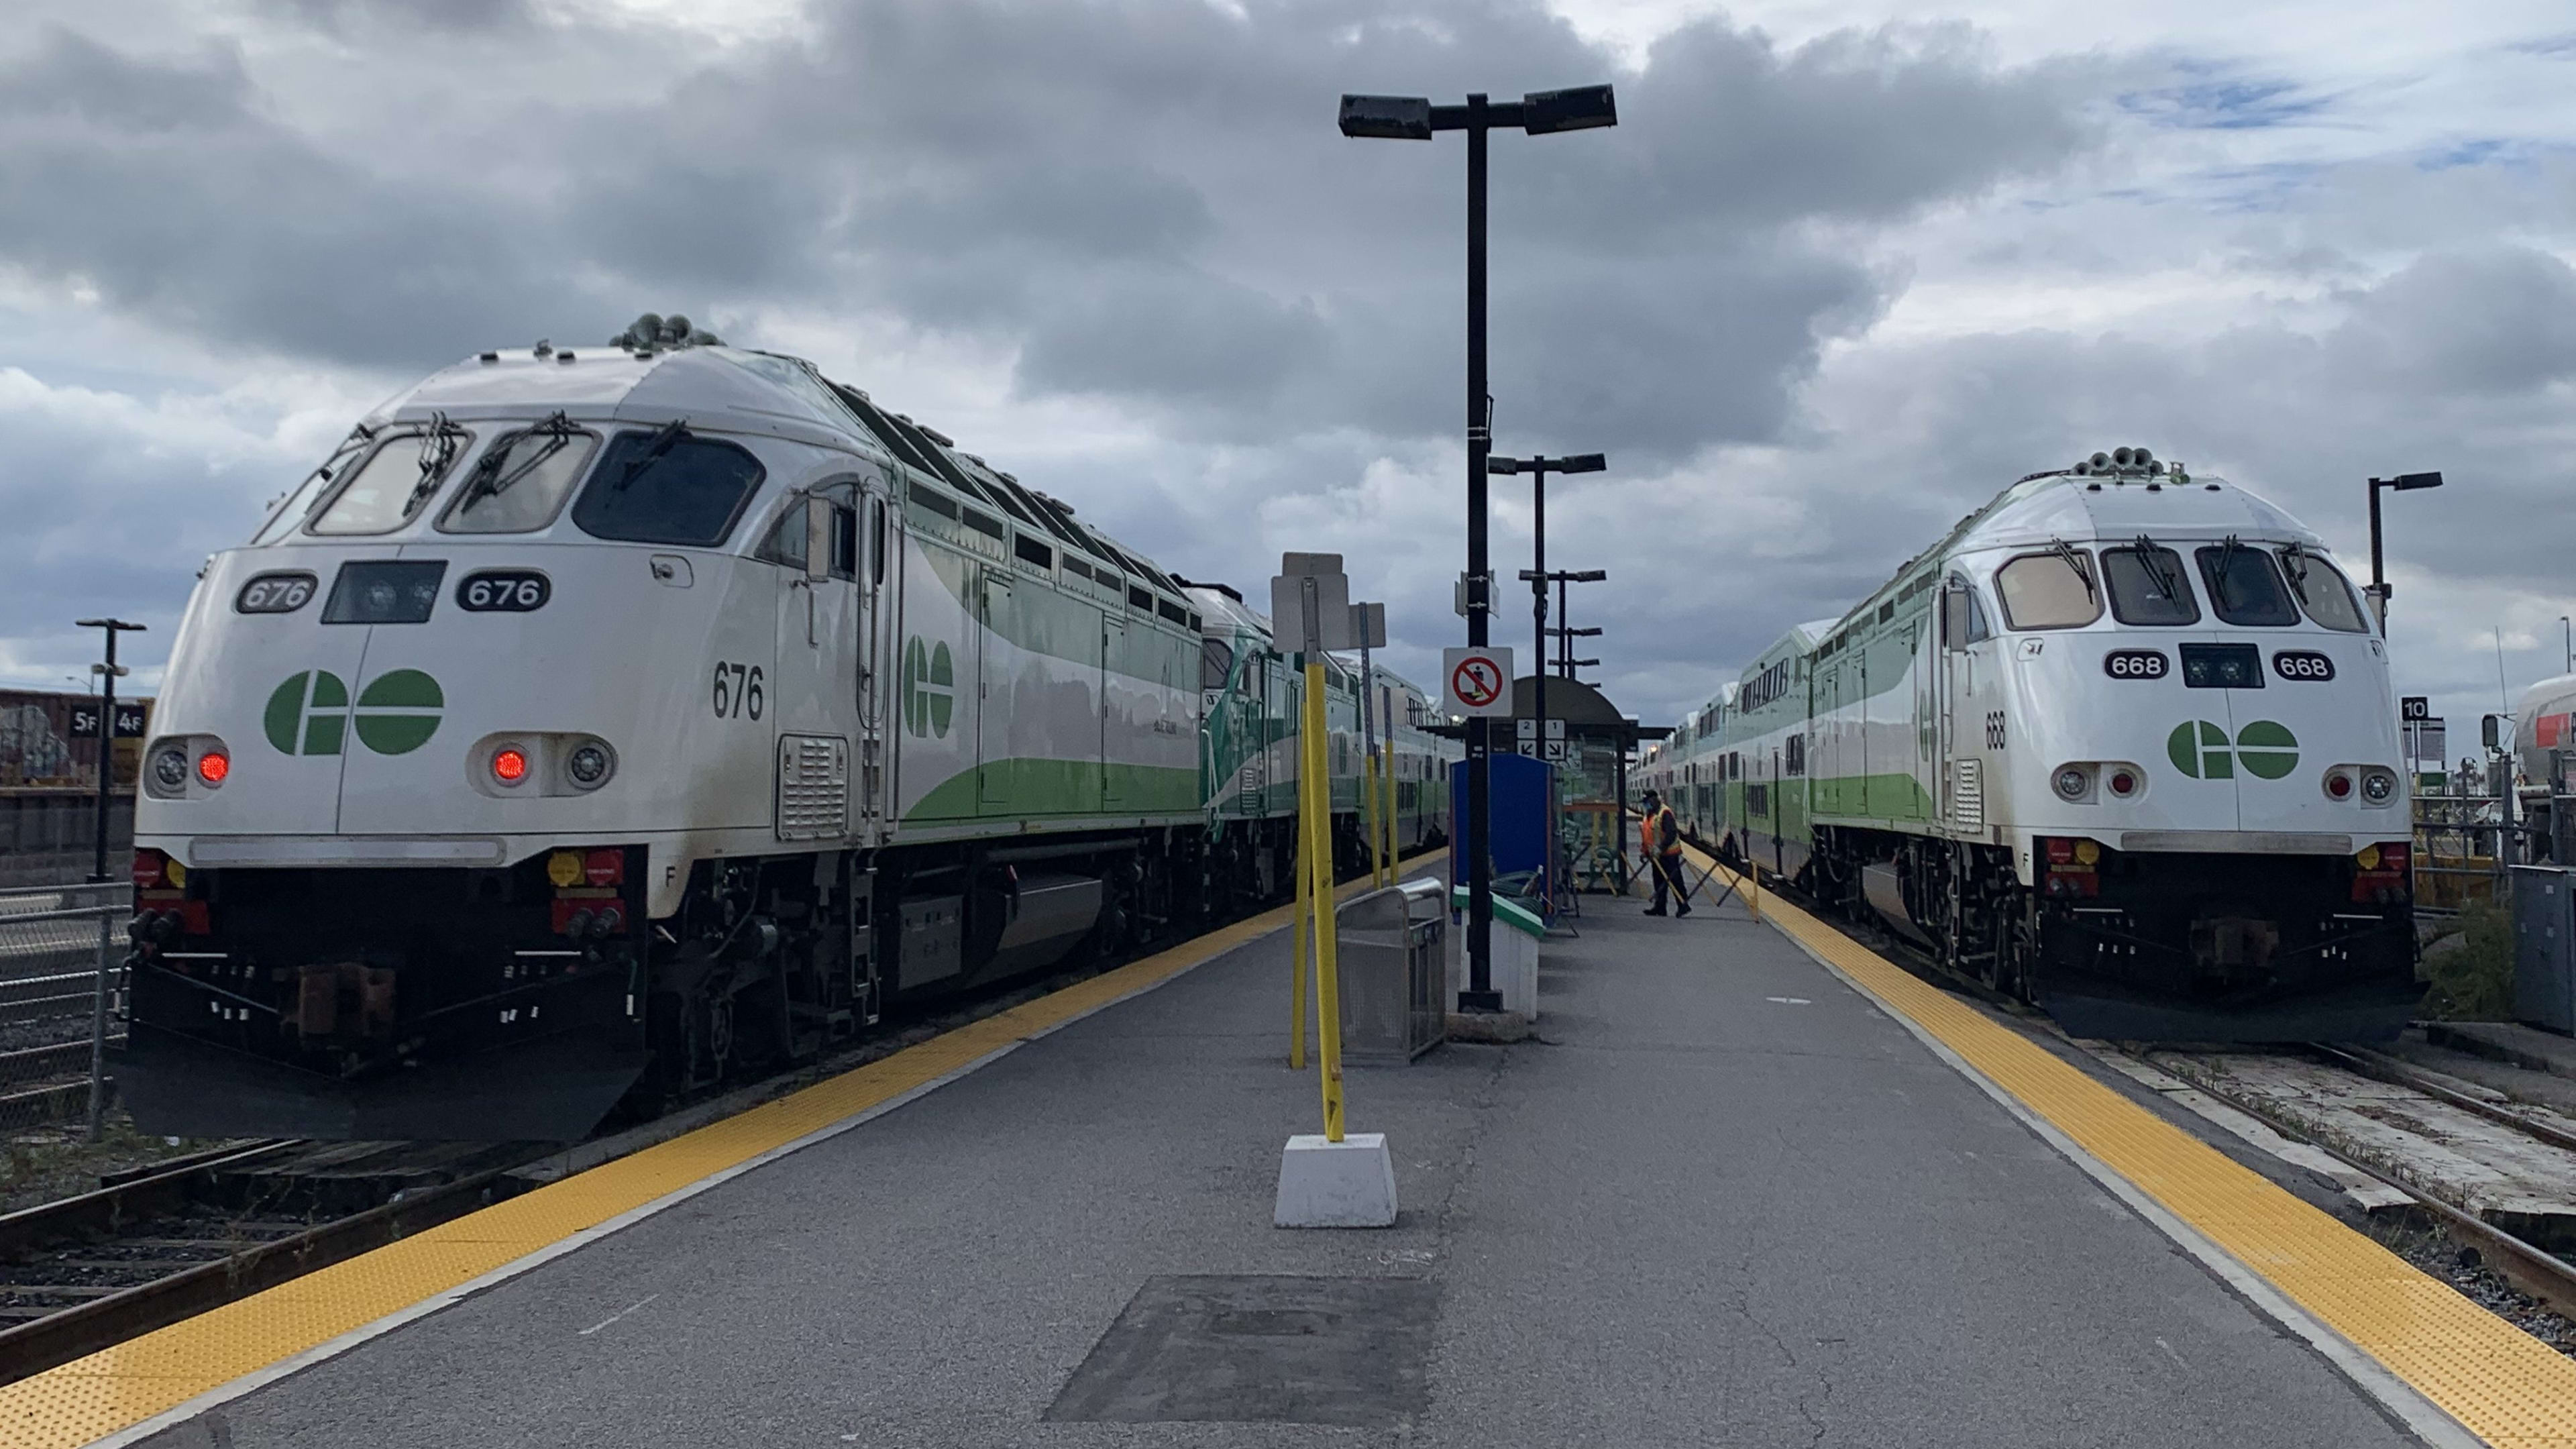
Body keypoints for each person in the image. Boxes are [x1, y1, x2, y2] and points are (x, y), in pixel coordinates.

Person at [1640, 788, 1691, 917]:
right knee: (1659, 882)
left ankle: (1683, 905)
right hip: (1656, 856)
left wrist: (1661, 848)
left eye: (1647, 801)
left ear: (1654, 799)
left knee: (1675, 881)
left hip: (1669, 854)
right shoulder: (1649, 815)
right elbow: (1648, 836)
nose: (1646, 804)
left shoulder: (1665, 813)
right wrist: (1645, 852)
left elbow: (1671, 833)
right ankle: (1660, 907)